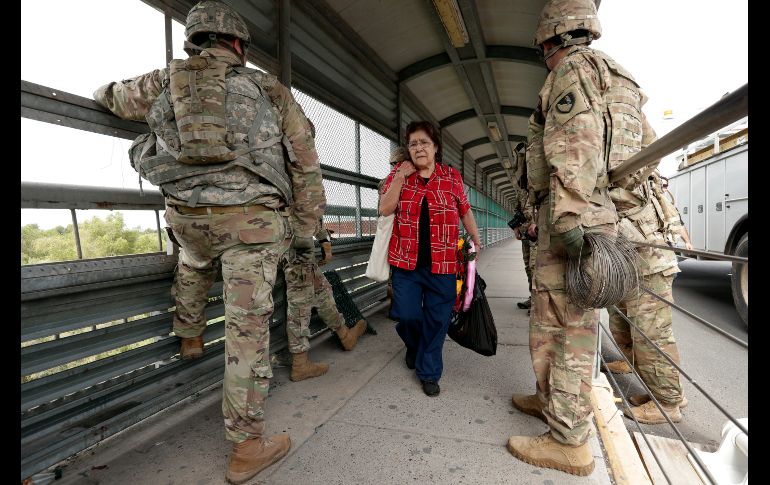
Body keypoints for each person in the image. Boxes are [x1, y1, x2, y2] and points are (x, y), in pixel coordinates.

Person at [92, 2, 326, 483]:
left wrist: (107, 91)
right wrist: (304, 231)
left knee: (194, 261)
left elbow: (110, 96)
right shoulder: (269, 90)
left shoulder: (163, 81)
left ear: (194, 40)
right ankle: (245, 448)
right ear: (238, 45)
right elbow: (305, 165)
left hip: (189, 220)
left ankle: (191, 334)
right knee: (246, 334)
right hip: (252, 228)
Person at [506, 0, 654, 476]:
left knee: (565, 327)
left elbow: (576, 144)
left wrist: (569, 221)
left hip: (574, 217)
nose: (544, 57)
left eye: (543, 49)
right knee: (561, 322)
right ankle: (552, 403)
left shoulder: (572, 70)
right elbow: (644, 152)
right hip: (602, 212)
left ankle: (568, 440)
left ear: (553, 38)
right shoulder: (620, 77)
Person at [379, 121, 481, 397]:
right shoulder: (398, 176)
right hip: (406, 264)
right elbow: (385, 209)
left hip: (444, 263)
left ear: (435, 147)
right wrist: (400, 177)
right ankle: (414, 347)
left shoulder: (451, 177)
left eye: (424, 142)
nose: (418, 148)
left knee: (438, 320)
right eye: (413, 144)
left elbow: (465, 211)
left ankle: (429, 371)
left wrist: (476, 239)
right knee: (408, 315)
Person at [605, 169, 688, 424]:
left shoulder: (630, 168)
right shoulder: (625, 167)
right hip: (631, 261)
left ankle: (667, 402)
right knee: (627, 331)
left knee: (651, 337)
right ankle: (659, 391)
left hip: (648, 262)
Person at [282, 217, 368, 382]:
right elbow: (310, 212)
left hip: (297, 254)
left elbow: (312, 216)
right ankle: (299, 365)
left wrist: (325, 243)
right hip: (294, 255)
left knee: (322, 290)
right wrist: (325, 244)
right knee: (300, 307)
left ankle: (345, 336)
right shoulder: (297, 195)